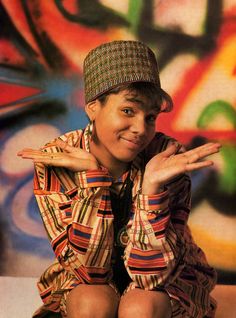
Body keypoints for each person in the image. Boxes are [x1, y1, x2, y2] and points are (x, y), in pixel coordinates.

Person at [18, 40, 220, 318]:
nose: (140, 129)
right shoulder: (58, 159)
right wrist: (93, 182)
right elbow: (89, 271)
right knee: (92, 302)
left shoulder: (165, 158)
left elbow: (152, 279)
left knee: (141, 307)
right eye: (128, 111)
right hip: (85, 278)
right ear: (92, 107)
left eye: (150, 117)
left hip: (164, 280)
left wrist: (151, 190)